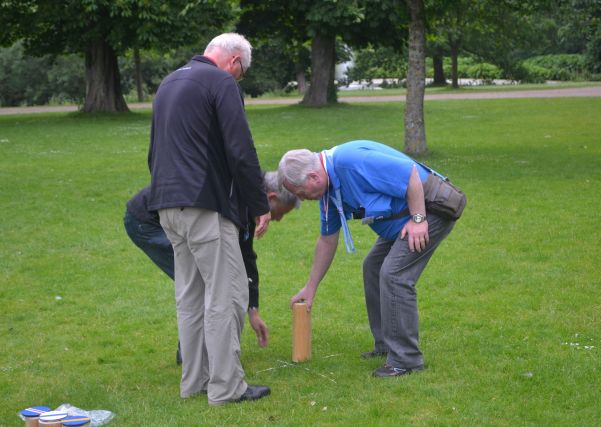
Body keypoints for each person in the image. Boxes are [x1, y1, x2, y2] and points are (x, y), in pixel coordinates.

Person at [147, 32, 271, 405]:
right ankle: (227, 387)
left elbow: (154, 150)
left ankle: (194, 383)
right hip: (204, 205)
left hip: (166, 204)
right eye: (241, 74)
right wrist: (259, 203)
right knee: (227, 294)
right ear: (235, 62)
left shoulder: (169, 82)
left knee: (190, 297)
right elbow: (241, 148)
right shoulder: (221, 82)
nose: (238, 81)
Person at [278, 140, 460, 378]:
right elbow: (327, 239)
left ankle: (406, 360)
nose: (303, 198)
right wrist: (311, 287)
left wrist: (418, 220)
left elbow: (410, 175)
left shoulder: (350, 161)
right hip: (403, 219)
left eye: (301, 192)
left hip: (431, 209)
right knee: (373, 266)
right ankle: (386, 344)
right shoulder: (328, 191)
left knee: (394, 274)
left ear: (313, 177)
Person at [124, 171, 300, 362]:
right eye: (281, 213)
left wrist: (253, 310)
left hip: (174, 217)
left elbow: (246, 255)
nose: (279, 219)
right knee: (203, 280)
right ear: (271, 198)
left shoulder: (248, 197)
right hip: (148, 221)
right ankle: (194, 354)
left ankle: (194, 353)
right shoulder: (238, 190)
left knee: (209, 279)